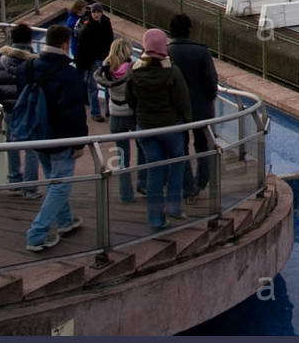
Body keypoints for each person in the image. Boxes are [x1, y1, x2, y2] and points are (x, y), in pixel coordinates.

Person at [24, 24, 89, 252]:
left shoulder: (31, 65)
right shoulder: (68, 73)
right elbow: (74, 111)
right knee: (60, 185)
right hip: (60, 137)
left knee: (54, 179)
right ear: (64, 44)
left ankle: (65, 221)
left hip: (36, 134)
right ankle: (37, 234)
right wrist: (79, 142)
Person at [126, 29, 192, 231]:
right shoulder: (172, 72)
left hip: (145, 128)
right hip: (170, 127)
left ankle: (156, 219)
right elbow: (183, 101)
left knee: (154, 171)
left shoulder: (134, 71)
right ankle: (174, 207)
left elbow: (131, 100)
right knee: (177, 164)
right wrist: (187, 124)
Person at [167, 13, 218, 203]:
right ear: (189, 29)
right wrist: (208, 97)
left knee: (180, 148)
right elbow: (211, 82)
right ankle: (201, 182)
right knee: (203, 145)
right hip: (201, 108)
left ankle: (187, 187)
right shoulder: (201, 52)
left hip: (176, 110)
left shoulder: (167, 52)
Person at [0, 23, 40, 196]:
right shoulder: (35, 63)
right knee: (32, 148)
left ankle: (14, 180)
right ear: (30, 40)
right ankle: (30, 188)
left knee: (12, 143)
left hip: (9, 109)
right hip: (30, 109)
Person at [95, 39, 137, 203]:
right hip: (131, 114)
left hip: (115, 114)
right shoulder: (133, 68)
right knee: (143, 148)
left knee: (122, 158)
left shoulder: (106, 70)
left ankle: (126, 194)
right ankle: (143, 183)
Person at [76, 2, 115, 121]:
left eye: (98, 12)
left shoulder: (105, 23)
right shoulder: (87, 25)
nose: (96, 14)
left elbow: (110, 39)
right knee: (93, 85)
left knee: (107, 85)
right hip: (94, 59)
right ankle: (95, 112)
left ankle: (108, 110)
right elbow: (82, 44)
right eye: (94, 12)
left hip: (104, 57)